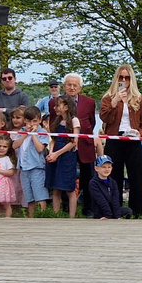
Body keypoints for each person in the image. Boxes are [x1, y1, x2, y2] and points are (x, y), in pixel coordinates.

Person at [100, 64, 142, 218]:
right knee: (113, 176)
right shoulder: (107, 97)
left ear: (132, 79)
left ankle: (138, 211)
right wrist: (115, 101)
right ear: (117, 78)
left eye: (127, 77)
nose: (124, 80)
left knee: (137, 176)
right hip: (114, 140)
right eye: (121, 77)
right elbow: (105, 118)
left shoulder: (139, 98)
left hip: (133, 141)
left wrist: (138, 133)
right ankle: (115, 210)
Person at [54, 74, 97, 217]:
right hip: (64, 147)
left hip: (85, 145)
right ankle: (66, 208)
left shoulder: (89, 102)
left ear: (80, 87)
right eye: (69, 85)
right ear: (64, 86)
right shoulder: (54, 103)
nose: (72, 88)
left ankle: (88, 207)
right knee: (65, 176)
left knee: (88, 176)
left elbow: (92, 122)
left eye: (75, 85)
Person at [45, 94, 80, 218]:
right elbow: (53, 139)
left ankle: (72, 217)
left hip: (67, 157)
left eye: (58, 105)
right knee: (55, 188)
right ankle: (56, 216)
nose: (55, 108)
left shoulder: (74, 121)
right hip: (56, 156)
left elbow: (73, 142)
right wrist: (51, 153)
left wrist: (57, 153)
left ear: (66, 107)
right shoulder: (58, 121)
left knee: (69, 189)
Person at [13, 105, 50, 218]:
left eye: (35, 121)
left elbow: (40, 149)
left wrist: (33, 135)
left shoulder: (42, 132)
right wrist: (25, 135)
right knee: (29, 197)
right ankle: (31, 217)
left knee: (40, 195)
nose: (31, 124)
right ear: (24, 120)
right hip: (24, 168)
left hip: (36, 168)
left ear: (39, 120)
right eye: (29, 121)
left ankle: (42, 216)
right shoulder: (22, 131)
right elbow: (14, 145)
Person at [89, 155, 132, 220]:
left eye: (109, 167)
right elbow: (100, 200)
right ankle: (108, 216)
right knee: (101, 211)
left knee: (128, 211)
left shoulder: (113, 182)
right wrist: (107, 215)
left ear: (111, 168)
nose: (107, 169)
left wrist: (117, 216)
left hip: (112, 209)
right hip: (100, 211)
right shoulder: (93, 183)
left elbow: (115, 200)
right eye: (103, 167)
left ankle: (115, 216)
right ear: (96, 168)